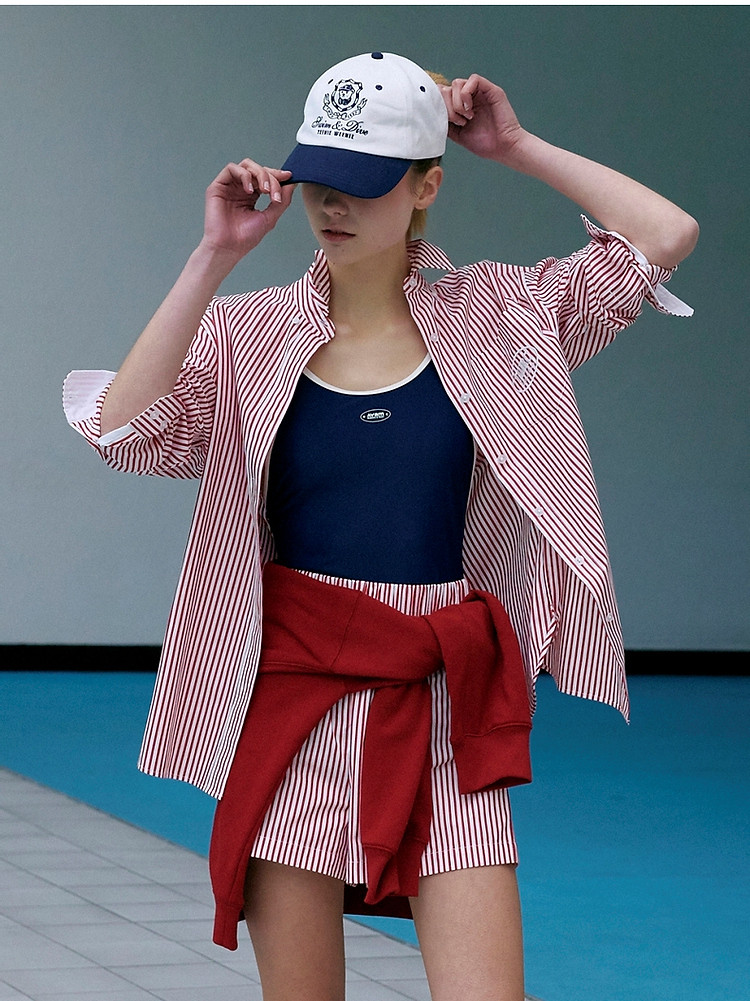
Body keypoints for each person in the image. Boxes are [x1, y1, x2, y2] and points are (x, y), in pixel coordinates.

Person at [64, 51, 698, 1001]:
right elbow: (125, 432)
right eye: (319, 179)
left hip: (442, 699)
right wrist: (214, 255)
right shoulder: (248, 333)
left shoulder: (504, 315)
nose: (332, 204)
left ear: (426, 186)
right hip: (293, 706)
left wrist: (516, 146)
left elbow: (664, 235)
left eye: (363, 183)